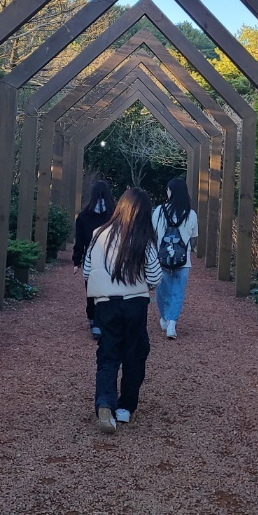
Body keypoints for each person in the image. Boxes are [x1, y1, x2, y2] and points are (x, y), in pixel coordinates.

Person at [82, 186, 162, 433]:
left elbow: (87, 271)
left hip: (105, 303)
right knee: (135, 352)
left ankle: (105, 402)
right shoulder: (142, 238)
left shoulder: (98, 233)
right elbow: (155, 277)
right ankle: (126, 406)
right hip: (135, 303)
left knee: (108, 353)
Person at [152, 177, 198, 340]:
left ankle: (164, 318)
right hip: (183, 260)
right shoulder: (191, 214)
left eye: (168, 190)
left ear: (171, 192)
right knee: (178, 291)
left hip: (162, 258)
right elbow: (193, 237)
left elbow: (153, 233)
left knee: (161, 289)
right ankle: (172, 324)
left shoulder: (159, 211)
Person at [71, 179, 115, 338]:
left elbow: (80, 240)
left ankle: (93, 320)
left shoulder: (84, 216)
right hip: (112, 257)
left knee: (92, 289)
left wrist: (77, 260)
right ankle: (103, 320)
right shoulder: (115, 214)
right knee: (109, 289)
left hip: (92, 258)